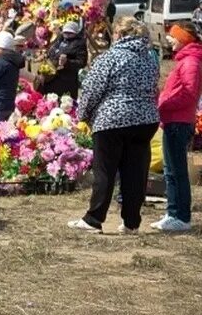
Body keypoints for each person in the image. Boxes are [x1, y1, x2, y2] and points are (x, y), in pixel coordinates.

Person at [68, 17, 159, 234]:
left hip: (113, 119)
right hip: (145, 120)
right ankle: (131, 222)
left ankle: (94, 219)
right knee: (136, 172)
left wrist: (83, 115)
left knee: (105, 171)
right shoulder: (149, 58)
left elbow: (91, 89)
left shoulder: (110, 57)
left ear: (119, 34)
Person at [152, 21, 202, 232]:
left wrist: (164, 103)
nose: (169, 40)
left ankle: (181, 216)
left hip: (179, 121)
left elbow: (189, 93)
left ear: (183, 39)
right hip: (173, 120)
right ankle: (172, 213)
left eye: (173, 36)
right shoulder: (185, 60)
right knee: (170, 170)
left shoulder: (191, 62)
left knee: (177, 171)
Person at [41, 21, 88, 99]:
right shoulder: (60, 38)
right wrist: (46, 55)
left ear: (76, 33)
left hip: (66, 80)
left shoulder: (80, 43)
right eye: (65, 32)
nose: (67, 35)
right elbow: (51, 50)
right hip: (51, 77)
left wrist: (67, 62)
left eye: (70, 33)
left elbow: (82, 62)